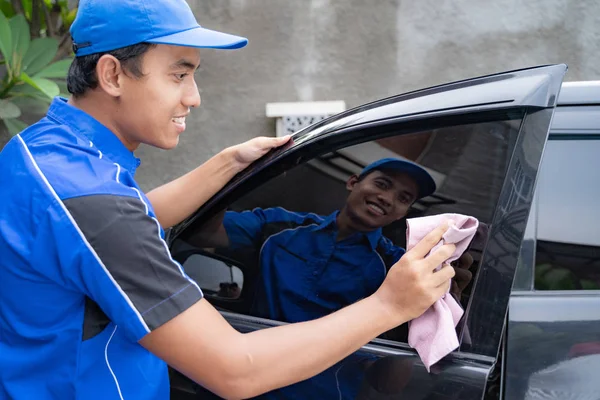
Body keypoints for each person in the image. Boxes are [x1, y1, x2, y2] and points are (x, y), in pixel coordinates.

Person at [0, 1, 457, 399]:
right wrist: (390, 306)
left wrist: (227, 163)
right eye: (179, 74)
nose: (193, 98)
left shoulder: (39, 151)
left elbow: (114, 229)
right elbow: (234, 369)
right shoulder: (93, 199)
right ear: (113, 74)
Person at [193, 159, 474, 399]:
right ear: (353, 182)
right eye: (382, 184)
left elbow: (388, 383)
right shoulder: (278, 225)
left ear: (405, 214)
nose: (388, 199)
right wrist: (232, 176)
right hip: (238, 384)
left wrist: (439, 306)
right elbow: (203, 234)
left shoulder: (400, 269)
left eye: (403, 198)